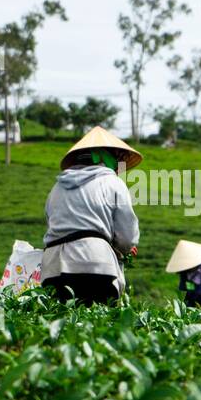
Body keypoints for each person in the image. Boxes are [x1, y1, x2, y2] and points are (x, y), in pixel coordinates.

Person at [41, 126, 140, 305]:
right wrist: (123, 249)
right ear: (104, 158)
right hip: (95, 266)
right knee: (96, 326)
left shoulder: (56, 188)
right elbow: (127, 237)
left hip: (53, 268)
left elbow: (52, 224)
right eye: (116, 159)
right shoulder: (113, 182)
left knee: (61, 324)